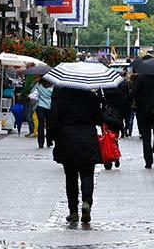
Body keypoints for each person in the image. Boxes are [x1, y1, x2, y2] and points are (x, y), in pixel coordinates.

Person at [50, 87, 103, 224]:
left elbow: (53, 120)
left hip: (67, 138)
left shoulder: (60, 95)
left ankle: (73, 211)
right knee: (87, 174)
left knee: (71, 176)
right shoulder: (90, 96)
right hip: (87, 137)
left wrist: (54, 138)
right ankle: (86, 202)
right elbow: (99, 119)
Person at [131, 72, 154, 169]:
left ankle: (148, 161)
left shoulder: (140, 78)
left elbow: (134, 93)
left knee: (146, 137)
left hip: (143, 111)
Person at [36, 78, 53, 149]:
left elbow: (33, 93)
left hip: (40, 106)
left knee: (41, 124)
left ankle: (40, 143)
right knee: (49, 125)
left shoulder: (38, 85)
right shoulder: (52, 87)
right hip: (49, 107)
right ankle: (49, 141)